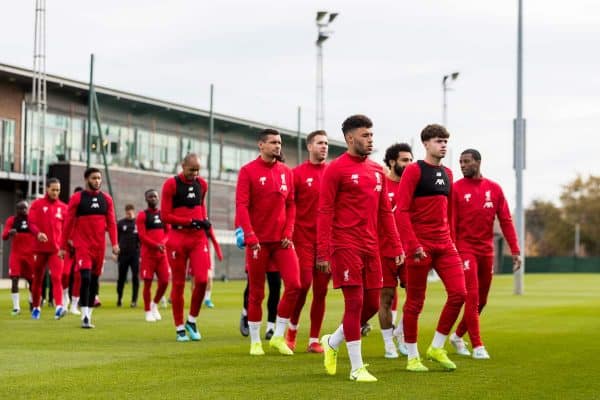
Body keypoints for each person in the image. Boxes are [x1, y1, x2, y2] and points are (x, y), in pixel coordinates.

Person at [318, 115, 403, 382]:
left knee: (370, 305)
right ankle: (356, 368)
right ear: (350, 138)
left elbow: (385, 213)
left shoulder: (377, 170)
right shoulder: (335, 169)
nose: (370, 139)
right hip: (344, 245)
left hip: (372, 247)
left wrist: (396, 244)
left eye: (371, 135)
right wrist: (322, 252)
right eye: (365, 135)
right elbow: (324, 211)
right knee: (354, 304)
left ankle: (332, 341)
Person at [396, 124, 467, 372]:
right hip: (420, 247)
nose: (443, 145)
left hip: (445, 245)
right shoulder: (414, 171)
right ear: (426, 144)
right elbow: (401, 211)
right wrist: (412, 244)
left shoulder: (448, 172)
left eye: (446, 141)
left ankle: (437, 347)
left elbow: (449, 213)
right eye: (439, 141)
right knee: (415, 302)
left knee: (460, 294)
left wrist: (453, 242)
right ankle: (412, 357)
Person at [449, 149, 521, 359]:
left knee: (482, 301)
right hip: (464, 249)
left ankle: (457, 336)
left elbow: (506, 221)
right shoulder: (456, 189)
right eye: (460, 162)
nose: (462, 165)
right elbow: (451, 222)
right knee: (471, 296)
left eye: (466, 162)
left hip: (486, 250)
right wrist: (452, 249)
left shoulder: (494, 189)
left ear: (478, 162)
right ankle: (478, 346)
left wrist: (515, 250)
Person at [235, 128, 301, 356]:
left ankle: (278, 336)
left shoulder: (286, 172)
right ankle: (255, 341)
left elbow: (291, 204)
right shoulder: (247, 171)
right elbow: (241, 206)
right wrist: (250, 236)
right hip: (258, 244)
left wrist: (289, 231)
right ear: (260, 145)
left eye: (279, 142)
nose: (277, 146)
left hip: (282, 242)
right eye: (273, 142)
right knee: (256, 293)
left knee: (294, 285)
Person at [161, 153, 222, 342]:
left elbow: (201, 207)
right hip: (177, 239)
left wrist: (203, 222)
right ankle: (179, 327)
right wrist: (190, 221)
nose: (194, 174)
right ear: (182, 166)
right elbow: (165, 216)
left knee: (203, 280)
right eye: (191, 169)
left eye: (197, 170)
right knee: (178, 283)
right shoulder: (171, 185)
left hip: (197, 239)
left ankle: (192, 320)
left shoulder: (202, 184)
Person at [285, 130, 330, 353]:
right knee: (302, 286)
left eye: (326, 143)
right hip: (302, 239)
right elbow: (288, 206)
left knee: (321, 291)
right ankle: (292, 330)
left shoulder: (332, 174)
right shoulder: (297, 174)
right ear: (309, 146)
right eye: (320, 143)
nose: (324, 146)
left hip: (326, 242)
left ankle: (314, 339)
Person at [61, 167, 119, 328]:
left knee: (94, 280)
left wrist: (114, 243)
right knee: (85, 277)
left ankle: (88, 315)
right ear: (86, 179)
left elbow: (112, 223)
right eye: (94, 178)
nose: (97, 181)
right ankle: (84, 314)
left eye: (99, 178)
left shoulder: (106, 199)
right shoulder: (77, 198)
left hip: (99, 247)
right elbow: (68, 223)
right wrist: (62, 246)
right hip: (83, 246)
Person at [377, 143, 412, 358]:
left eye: (410, 160)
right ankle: (388, 343)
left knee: (416, 295)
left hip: (409, 251)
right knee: (386, 298)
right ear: (392, 162)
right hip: (383, 251)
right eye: (404, 160)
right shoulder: (381, 185)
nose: (409, 164)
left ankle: (400, 332)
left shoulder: (414, 187)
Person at [29, 178, 68, 320]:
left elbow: (67, 228)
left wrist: (66, 244)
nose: (56, 192)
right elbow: (31, 223)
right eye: (53, 189)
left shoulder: (64, 208)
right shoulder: (37, 204)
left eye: (58, 190)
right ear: (47, 189)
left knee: (57, 277)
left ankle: (59, 307)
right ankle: (36, 307)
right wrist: (38, 233)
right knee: (37, 280)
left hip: (56, 250)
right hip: (39, 249)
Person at [136, 189, 170, 322]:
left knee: (165, 281)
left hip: (162, 255)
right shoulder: (142, 215)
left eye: (155, 196)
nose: (153, 198)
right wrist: (156, 245)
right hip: (148, 256)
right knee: (148, 283)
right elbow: (142, 236)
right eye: (150, 197)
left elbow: (168, 232)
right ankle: (147, 311)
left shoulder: (163, 215)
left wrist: (162, 243)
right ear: (146, 199)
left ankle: (154, 304)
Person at [2, 201, 35, 316]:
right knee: (14, 279)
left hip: (30, 255)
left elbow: (38, 233)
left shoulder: (32, 220)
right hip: (16, 254)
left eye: (25, 208)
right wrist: (10, 232)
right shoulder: (11, 220)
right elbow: (4, 236)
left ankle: (32, 302)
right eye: (21, 209)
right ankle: (16, 307)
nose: (24, 211)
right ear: (17, 210)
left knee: (32, 281)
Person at [239, 262, 281, 339]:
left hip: (274, 253)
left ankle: (270, 327)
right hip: (257, 252)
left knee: (275, 286)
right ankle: (245, 313)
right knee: (251, 286)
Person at [116, 204, 140, 307]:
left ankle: (134, 300)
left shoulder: (137, 223)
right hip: (123, 254)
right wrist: (116, 251)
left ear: (133, 211)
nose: (129, 214)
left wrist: (141, 254)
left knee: (135, 277)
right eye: (127, 212)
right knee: (121, 277)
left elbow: (141, 240)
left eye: (130, 212)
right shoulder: (121, 223)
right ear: (125, 212)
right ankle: (119, 298)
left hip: (135, 254)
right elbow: (116, 238)